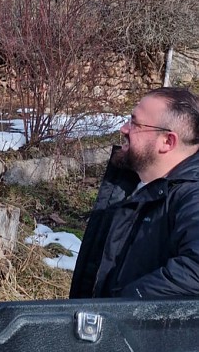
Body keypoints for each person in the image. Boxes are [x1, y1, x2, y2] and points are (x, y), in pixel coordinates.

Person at [70, 87, 199, 299]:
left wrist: (125, 306)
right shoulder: (131, 181)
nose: (123, 128)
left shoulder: (192, 197)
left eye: (135, 123)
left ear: (167, 141)